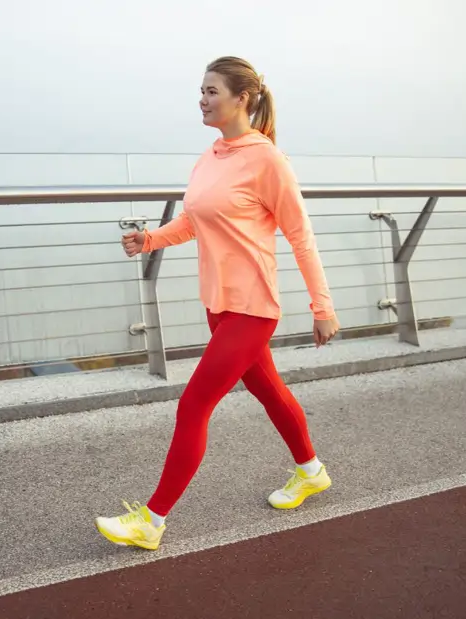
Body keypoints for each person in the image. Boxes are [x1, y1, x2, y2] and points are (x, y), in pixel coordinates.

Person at [94, 56, 340, 551]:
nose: (202, 100)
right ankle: (311, 470)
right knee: (269, 390)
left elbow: (301, 236)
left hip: (253, 307)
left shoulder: (268, 160)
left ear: (241, 98)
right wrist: (150, 239)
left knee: (194, 405)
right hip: (219, 303)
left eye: (212, 91)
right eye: (201, 91)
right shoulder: (210, 157)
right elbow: (194, 219)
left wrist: (323, 307)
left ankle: (151, 520)